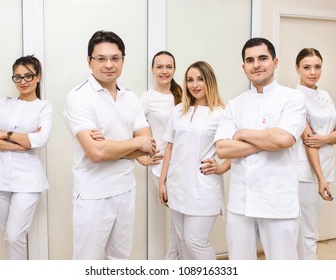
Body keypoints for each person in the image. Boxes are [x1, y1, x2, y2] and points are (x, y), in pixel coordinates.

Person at [63, 30, 156, 260]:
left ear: (123, 60)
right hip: (93, 194)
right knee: (88, 262)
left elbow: (148, 147)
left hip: (125, 190)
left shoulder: (130, 98)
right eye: (101, 58)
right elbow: (95, 152)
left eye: (115, 58)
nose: (109, 64)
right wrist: (135, 144)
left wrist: (111, 147)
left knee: (120, 260)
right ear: (89, 61)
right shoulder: (79, 97)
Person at [214, 37, 306, 260]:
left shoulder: (293, 98)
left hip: (278, 202)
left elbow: (284, 140)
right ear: (243, 67)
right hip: (241, 203)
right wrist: (268, 141)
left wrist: (243, 134)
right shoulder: (235, 104)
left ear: (275, 62)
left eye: (262, 58)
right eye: (250, 60)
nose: (256, 64)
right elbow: (222, 149)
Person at [0, 55, 53, 260]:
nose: (23, 81)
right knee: (8, 237)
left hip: (28, 181)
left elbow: (40, 140)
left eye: (28, 76)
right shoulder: (4, 104)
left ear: (38, 77)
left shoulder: (44, 107)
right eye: (18, 77)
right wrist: (22, 144)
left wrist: (4, 134)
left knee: (14, 237)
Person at [159, 61, 231, 260]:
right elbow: (170, 147)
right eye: (190, 80)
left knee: (195, 241)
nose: (195, 84)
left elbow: (236, 148)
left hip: (203, 188)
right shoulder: (178, 110)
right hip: (177, 185)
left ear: (210, 81)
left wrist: (223, 167)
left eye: (200, 79)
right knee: (182, 241)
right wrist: (162, 181)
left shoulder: (221, 114)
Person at [295, 48, 336, 260]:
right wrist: (320, 178)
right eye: (307, 67)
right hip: (306, 171)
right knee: (307, 229)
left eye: (317, 66)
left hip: (326, 166)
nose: (312, 72)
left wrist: (324, 138)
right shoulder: (295, 97)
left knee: (311, 224)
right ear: (297, 69)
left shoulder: (325, 95)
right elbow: (308, 141)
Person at [138, 51, 183, 260]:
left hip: (183, 163)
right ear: (152, 70)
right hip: (160, 166)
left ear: (174, 69)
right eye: (159, 67)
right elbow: (130, 129)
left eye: (168, 66)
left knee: (181, 219)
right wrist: (141, 158)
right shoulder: (147, 98)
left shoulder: (183, 94)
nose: (164, 71)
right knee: (180, 217)